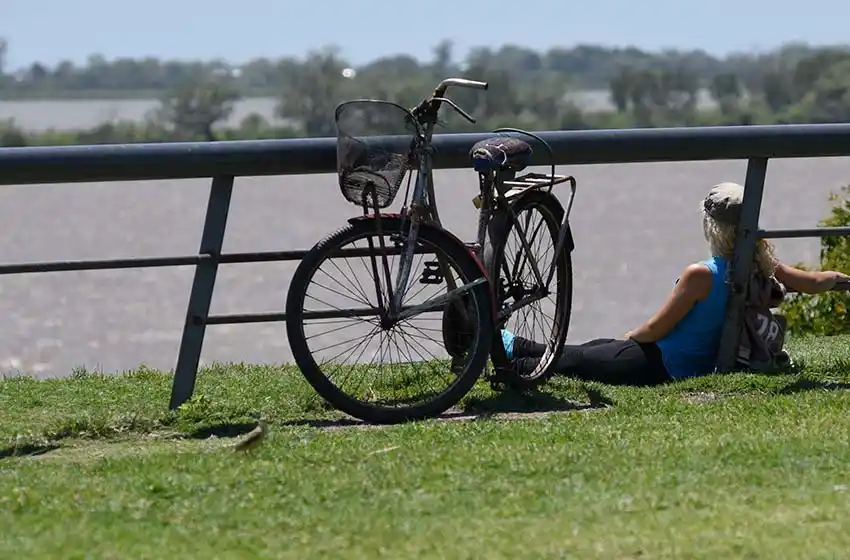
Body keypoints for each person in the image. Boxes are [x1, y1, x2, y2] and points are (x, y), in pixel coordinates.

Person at [501, 181, 850, 386]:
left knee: (573, 360)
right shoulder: (763, 266)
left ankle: (503, 362)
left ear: (711, 227)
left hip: (662, 364)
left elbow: (655, 328)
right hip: (688, 363)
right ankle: (505, 343)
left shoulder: (702, 274)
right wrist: (842, 280)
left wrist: (629, 338)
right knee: (588, 346)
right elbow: (816, 281)